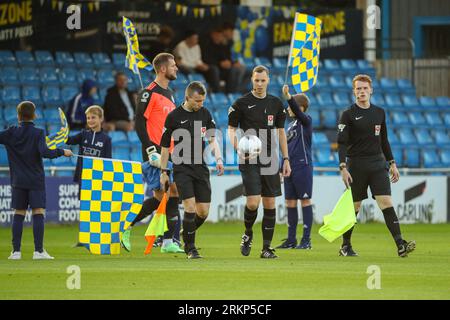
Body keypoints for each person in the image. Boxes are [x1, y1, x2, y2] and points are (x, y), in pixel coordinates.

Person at [337, 74, 416, 257]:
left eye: (365, 88)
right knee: (354, 207)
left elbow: (384, 140)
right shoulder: (347, 114)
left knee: (386, 202)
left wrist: (392, 163)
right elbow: (341, 143)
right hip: (356, 165)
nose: (362, 92)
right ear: (353, 91)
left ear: (371, 90)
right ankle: (345, 246)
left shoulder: (379, 112)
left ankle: (400, 244)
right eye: (358, 89)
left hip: (377, 164)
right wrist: (343, 167)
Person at [121, 53, 183, 254]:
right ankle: (161, 239)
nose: (176, 68)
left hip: (169, 151)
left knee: (167, 195)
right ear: (163, 69)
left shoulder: (170, 93)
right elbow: (139, 122)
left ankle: (163, 240)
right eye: (173, 66)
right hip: (155, 151)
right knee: (166, 194)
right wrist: (149, 149)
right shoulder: (148, 92)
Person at [228, 65, 291, 259]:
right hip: (249, 158)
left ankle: (266, 248)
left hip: (270, 157)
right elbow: (231, 128)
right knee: (254, 203)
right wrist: (238, 146)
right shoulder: (241, 103)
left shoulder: (276, 104)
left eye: (263, 80)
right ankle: (248, 233)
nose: (260, 84)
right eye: (257, 80)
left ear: (268, 80)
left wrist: (285, 158)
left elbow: (281, 132)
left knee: (270, 203)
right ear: (251, 80)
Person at [0, 101, 73, 260]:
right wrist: (62, 151)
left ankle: (16, 252)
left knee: (18, 214)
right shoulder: (38, 132)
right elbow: (44, 152)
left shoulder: (10, 132)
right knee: (38, 213)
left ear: (18, 115)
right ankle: (38, 251)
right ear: (35, 115)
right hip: (35, 180)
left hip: (18, 181)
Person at [160, 81, 224, 259]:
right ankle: (191, 248)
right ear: (187, 98)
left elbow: (213, 140)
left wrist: (218, 158)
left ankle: (186, 232)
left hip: (200, 167)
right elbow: (165, 147)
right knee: (189, 207)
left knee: (202, 212)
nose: (200, 104)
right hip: (182, 168)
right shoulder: (173, 117)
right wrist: (164, 172)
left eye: (203, 100)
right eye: (197, 101)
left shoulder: (205, 113)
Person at [276, 85, 314, 250]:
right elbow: (286, 149)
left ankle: (306, 240)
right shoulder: (290, 127)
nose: (288, 109)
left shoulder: (306, 121)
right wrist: (280, 168)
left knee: (305, 200)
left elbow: (298, 113)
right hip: (289, 167)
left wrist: (288, 97)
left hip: (302, 166)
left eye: (292, 106)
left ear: (301, 108)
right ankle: (291, 239)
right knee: (289, 202)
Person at [66, 105, 112, 198]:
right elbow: (68, 140)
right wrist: (63, 133)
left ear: (101, 118)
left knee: (97, 206)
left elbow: (108, 161)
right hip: (83, 177)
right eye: (88, 118)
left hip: (98, 179)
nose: (90, 120)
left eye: (93, 117)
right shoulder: (83, 134)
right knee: (84, 206)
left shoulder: (106, 139)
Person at [201, 27, 245, 93]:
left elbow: (228, 58)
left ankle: (236, 91)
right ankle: (224, 92)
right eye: (217, 35)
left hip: (225, 69)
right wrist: (220, 63)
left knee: (245, 70)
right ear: (213, 35)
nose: (219, 37)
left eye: (220, 36)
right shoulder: (207, 45)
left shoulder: (223, 46)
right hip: (212, 70)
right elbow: (206, 60)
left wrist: (233, 63)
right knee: (220, 70)